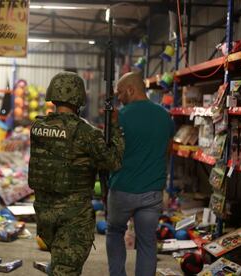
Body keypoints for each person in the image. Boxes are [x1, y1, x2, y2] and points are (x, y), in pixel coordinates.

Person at [28, 72, 124, 276]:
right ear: (79, 98)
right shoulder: (86, 133)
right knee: (66, 271)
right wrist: (114, 127)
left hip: (45, 214)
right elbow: (113, 161)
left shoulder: (37, 128)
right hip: (73, 217)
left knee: (59, 264)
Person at [106, 71, 174, 276]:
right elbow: (168, 151)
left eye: (119, 93)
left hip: (123, 189)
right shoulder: (164, 115)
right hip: (153, 191)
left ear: (130, 89)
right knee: (147, 242)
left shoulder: (121, 116)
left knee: (115, 232)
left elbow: (110, 153)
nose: (118, 97)